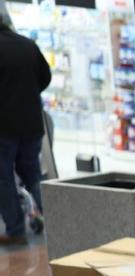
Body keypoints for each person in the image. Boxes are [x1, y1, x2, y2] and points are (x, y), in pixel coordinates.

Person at [0, 2, 51, 246]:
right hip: (32, 124)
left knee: (3, 178)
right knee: (32, 173)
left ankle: (15, 231)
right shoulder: (28, 45)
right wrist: (27, 96)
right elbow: (45, 77)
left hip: (3, 128)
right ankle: (57, 220)